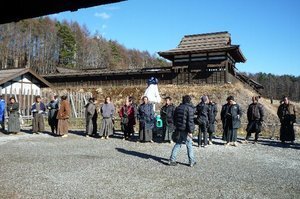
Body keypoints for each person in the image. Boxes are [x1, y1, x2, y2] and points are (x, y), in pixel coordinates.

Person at [169, 95, 196, 167]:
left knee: (178, 144)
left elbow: (174, 118)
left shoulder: (178, 108)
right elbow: (190, 121)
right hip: (186, 130)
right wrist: (190, 131)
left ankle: (172, 160)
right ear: (189, 100)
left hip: (179, 129)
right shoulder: (189, 108)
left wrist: (176, 127)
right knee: (189, 145)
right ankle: (192, 161)